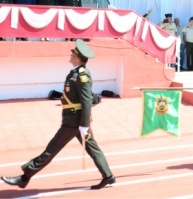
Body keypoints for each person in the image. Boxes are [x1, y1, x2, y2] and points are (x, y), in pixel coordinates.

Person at [1, 40, 114, 189]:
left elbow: (86, 101)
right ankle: (108, 176)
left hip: (75, 121)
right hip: (72, 117)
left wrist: (84, 125)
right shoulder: (75, 72)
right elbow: (70, 98)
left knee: (51, 150)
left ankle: (25, 176)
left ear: (78, 58)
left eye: (73, 53)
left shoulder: (82, 75)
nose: (71, 54)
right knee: (92, 147)